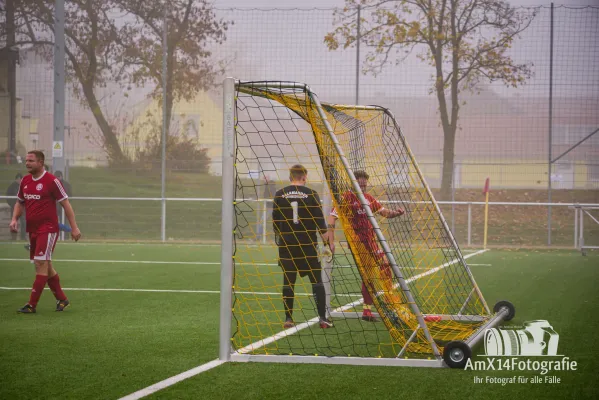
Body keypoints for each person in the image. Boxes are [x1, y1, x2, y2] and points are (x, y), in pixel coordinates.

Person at [9, 150, 82, 314]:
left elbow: (66, 204)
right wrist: (14, 219)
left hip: (48, 229)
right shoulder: (26, 181)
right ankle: (62, 299)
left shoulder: (52, 181)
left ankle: (31, 305)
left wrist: (74, 227)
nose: (27, 163)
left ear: (41, 162)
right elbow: (19, 203)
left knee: (40, 263)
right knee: (45, 264)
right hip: (33, 229)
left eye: (31, 161)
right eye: (26, 160)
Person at [327, 170, 404, 322]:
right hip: (359, 244)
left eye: (364, 181)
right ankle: (389, 299)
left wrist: (397, 213)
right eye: (360, 181)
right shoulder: (346, 197)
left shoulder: (368, 198)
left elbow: (384, 212)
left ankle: (367, 311)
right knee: (382, 265)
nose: (363, 184)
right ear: (353, 182)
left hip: (371, 241)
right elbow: (332, 217)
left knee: (369, 275)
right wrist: (330, 241)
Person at [272, 165, 332, 329]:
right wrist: (328, 244)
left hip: (287, 245)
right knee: (317, 281)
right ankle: (322, 318)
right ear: (304, 177)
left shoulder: (279, 194)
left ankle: (288, 319)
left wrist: (282, 238)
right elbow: (321, 224)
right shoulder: (312, 194)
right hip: (307, 246)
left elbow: (275, 223)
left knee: (288, 281)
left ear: (290, 177)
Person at [5, 173, 26, 241]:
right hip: (14, 208)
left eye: (21, 179)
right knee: (14, 223)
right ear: (16, 179)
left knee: (24, 223)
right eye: (18, 179)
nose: (19, 180)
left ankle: (23, 237)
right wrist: (12, 204)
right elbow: (8, 197)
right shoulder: (11, 187)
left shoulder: (24, 186)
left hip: (22, 208)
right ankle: (13, 238)